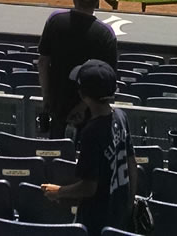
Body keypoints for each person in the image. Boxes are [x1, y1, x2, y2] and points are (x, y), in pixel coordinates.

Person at [41, 59, 132, 236]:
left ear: (83, 95)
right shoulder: (121, 116)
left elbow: (89, 187)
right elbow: (131, 163)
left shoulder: (91, 132)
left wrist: (59, 192)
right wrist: (128, 205)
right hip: (118, 211)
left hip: (96, 219)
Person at [37, 0, 119, 139]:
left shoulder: (55, 21)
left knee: (58, 157)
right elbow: (110, 80)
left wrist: (46, 97)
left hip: (58, 107)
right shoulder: (106, 34)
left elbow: (43, 62)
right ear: (97, 1)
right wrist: (82, 107)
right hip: (92, 113)